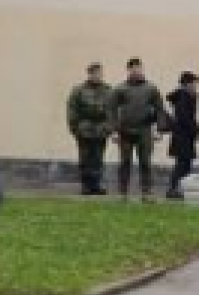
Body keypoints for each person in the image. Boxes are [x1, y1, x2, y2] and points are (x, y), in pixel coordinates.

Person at [109, 57, 166, 200]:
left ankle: (146, 193)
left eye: (139, 68)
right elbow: (111, 110)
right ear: (128, 70)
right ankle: (122, 193)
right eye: (133, 68)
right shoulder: (120, 89)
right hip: (125, 131)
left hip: (144, 130)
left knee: (145, 162)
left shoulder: (151, 88)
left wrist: (159, 130)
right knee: (124, 162)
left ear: (142, 69)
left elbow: (160, 109)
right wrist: (114, 131)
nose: (136, 70)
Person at [66, 62, 114, 196]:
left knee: (98, 158)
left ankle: (96, 185)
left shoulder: (108, 90)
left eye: (100, 73)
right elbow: (72, 109)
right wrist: (74, 128)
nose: (98, 76)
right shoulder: (78, 90)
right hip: (84, 129)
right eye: (96, 73)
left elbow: (113, 110)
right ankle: (86, 185)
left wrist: (109, 127)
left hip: (101, 129)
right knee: (85, 159)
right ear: (90, 74)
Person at [165, 72, 199, 199]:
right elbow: (184, 117)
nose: (196, 86)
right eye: (194, 83)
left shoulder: (189, 96)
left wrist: (195, 130)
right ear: (186, 84)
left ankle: (180, 188)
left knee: (185, 163)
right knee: (182, 164)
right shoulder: (183, 97)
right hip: (182, 135)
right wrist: (195, 129)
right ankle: (173, 188)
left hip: (186, 135)